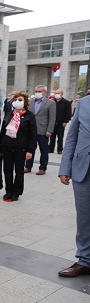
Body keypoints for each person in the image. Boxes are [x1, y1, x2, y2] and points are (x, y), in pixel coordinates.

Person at [58, 94, 90, 278]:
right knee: (84, 218)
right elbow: (72, 137)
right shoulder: (84, 103)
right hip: (83, 169)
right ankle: (84, 261)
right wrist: (65, 167)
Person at [0, 91, 37, 201]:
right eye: (15, 100)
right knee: (7, 170)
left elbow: (33, 134)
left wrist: (30, 150)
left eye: (20, 100)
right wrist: (0, 148)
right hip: (7, 147)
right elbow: (2, 132)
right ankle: (8, 190)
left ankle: (17, 191)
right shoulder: (9, 114)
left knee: (19, 171)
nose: (17, 102)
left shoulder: (29, 116)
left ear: (25, 102)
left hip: (21, 148)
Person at [24, 85, 56, 175]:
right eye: (36, 91)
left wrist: (50, 130)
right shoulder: (30, 102)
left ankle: (42, 168)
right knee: (30, 149)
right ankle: (28, 166)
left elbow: (52, 118)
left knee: (44, 150)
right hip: (31, 130)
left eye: (40, 91)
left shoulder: (50, 103)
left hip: (43, 130)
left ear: (44, 92)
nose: (37, 93)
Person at [48, 89, 71, 154]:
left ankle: (60, 149)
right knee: (52, 136)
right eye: (56, 93)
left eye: (58, 93)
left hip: (61, 122)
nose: (57, 94)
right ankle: (51, 148)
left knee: (60, 137)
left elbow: (68, 113)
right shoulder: (52, 102)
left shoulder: (66, 102)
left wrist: (65, 121)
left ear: (62, 94)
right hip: (53, 122)